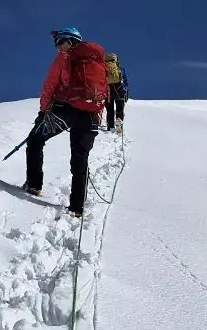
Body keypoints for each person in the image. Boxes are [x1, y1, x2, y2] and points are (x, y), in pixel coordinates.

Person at [22, 27, 109, 217]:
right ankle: (77, 208)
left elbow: (50, 85)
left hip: (65, 110)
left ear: (70, 41)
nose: (59, 48)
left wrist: (43, 111)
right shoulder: (98, 59)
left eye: (60, 43)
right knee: (80, 159)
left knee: (35, 141)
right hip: (91, 115)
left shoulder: (66, 57)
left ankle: (34, 185)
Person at [104, 52, 128, 132]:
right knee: (119, 109)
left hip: (108, 92)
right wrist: (126, 92)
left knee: (110, 110)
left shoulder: (104, 69)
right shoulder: (120, 69)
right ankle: (119, 126)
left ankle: (110, 127)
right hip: (119, 91)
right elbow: (125, 82)